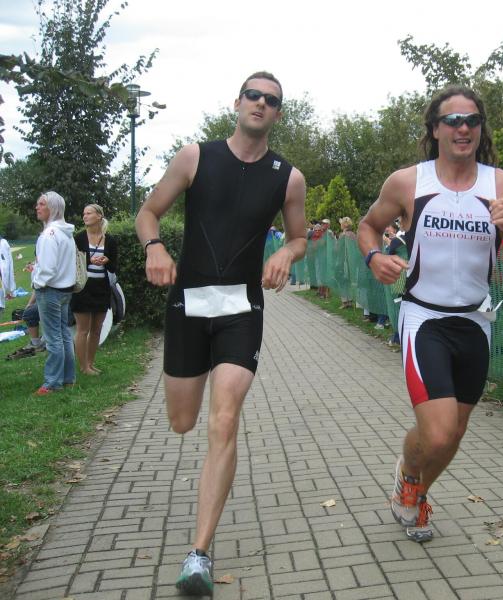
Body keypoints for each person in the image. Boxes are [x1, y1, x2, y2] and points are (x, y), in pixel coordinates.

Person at [134, 71, 307, 596]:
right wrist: (154, 247)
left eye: (271, 100)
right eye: (253, 95)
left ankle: (199, 554)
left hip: (241, 309)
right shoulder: (195, 157)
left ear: (278, 113)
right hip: (188, 305)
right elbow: (148, 213)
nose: (260, 103)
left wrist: (286, 252)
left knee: (224, 418)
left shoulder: (288, 178)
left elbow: (300, 238)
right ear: (237, 102)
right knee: (183, 421)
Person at [358, 84, 503, 542]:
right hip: (424, 318)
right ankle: (409, 474)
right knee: (439, 433)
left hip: (476, 322)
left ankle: (416, 492)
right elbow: (368, 226)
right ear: (435, 129)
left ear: (481, 129)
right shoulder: (409, 182)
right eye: (453, 121)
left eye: (472, 121)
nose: (463, 129)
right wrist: (373, 257)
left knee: (455, 432)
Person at [31, 191, 77, 395]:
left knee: (53, 337)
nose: (37, 207)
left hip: (49, 290)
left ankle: (52, 382)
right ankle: (68, 378)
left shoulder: (49, 234)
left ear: (53, 208)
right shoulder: (66, 233)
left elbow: (48, 268)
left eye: (42, 204)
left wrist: (37, 282)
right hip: (65, 290)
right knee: (64, 334)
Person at [71, 204, 118, 375]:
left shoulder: (110, 240)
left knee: (97, 329)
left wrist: (107, 261)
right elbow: (72, 262)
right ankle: (83, 367)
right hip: (83, 288)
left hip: (102, 288)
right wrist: (90, 261)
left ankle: (90, 364)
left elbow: (114, 267)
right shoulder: (78, 238)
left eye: (88, 213)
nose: (84, 216)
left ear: (99, 216)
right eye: (84, 213)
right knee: (83, 329)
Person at [338, 216, 357, 308]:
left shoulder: (343, 235)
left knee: (343, 281)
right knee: (349, 281)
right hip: (352, 261)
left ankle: (345, 301)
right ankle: (350, 300)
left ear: (343, 225)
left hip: (343, 261)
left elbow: (338, 248)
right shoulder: (353, 235)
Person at [0, 232, 14, 315]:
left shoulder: (3, 243)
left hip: (3, 267)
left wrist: (4, 268)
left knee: (2, 286)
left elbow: (5, 258)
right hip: (2, 267)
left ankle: (1, 306)